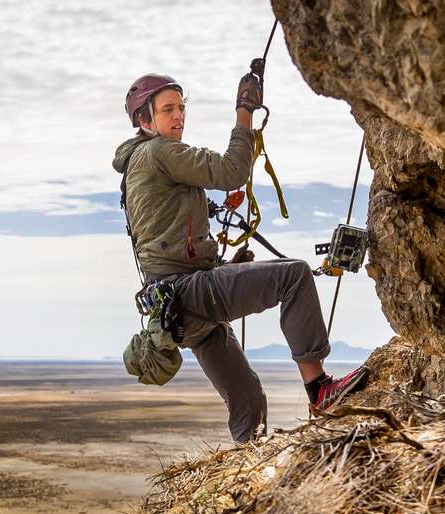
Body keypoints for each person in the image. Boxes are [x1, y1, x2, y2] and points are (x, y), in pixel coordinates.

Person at [113, 71, 369, 443]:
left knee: (247, 399)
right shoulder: (159, 151)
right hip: (186, 295)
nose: (179, 116)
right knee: (293, 275)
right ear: (144, 119)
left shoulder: (138, 164)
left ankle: (251, 473)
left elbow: (167, 242)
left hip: (177, 313)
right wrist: (245, 111)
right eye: (168, 109)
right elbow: (233, 170)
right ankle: (320, 390)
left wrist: (226, 268)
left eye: (181, 108)